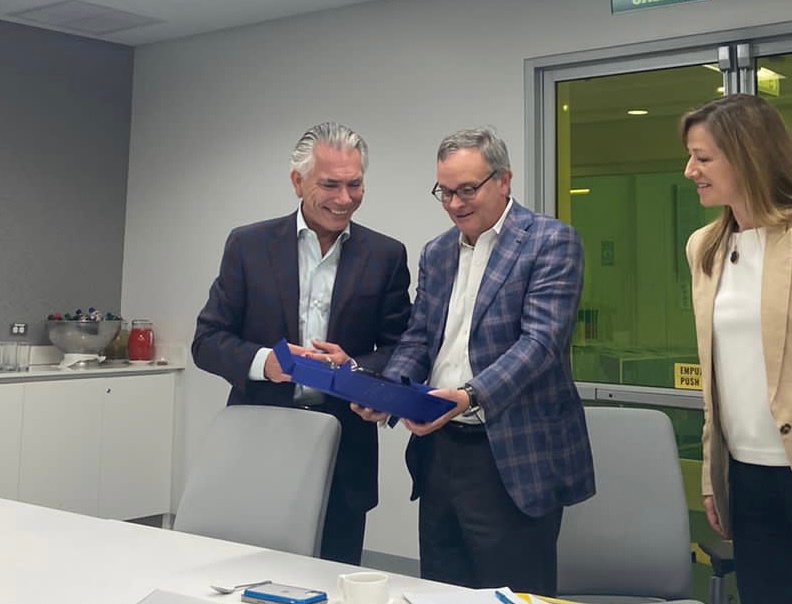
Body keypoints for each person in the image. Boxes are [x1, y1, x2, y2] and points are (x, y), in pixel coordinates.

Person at [353, 127, 594, 595]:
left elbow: (540, 343)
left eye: (467, 190)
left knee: (512, 593)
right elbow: (419, 337)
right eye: (445, 192)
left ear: (503, 180)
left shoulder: (550, 241)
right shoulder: (438, 252)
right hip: (439, 450)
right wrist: (390, 391)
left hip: (511, 454)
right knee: (443, 589)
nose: (455, 204)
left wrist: (468, 396)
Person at [192, 121, 412, 565]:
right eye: (330, 184)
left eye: (354, 184)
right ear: (298, 182)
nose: (344, 198)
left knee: (334, 574)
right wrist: (266, 363)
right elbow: (207, 340)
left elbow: (403, 347)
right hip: (261, 444)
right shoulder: (248, 245)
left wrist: (357, 368)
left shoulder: (386, 255)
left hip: (345, 449)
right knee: (249, 575)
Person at [682, 93, 792, 604]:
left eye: (703, 158)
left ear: (748, 155)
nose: (690, 171)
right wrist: (713, 474)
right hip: (745, 473)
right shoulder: (704, 247)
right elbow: (717, 374)